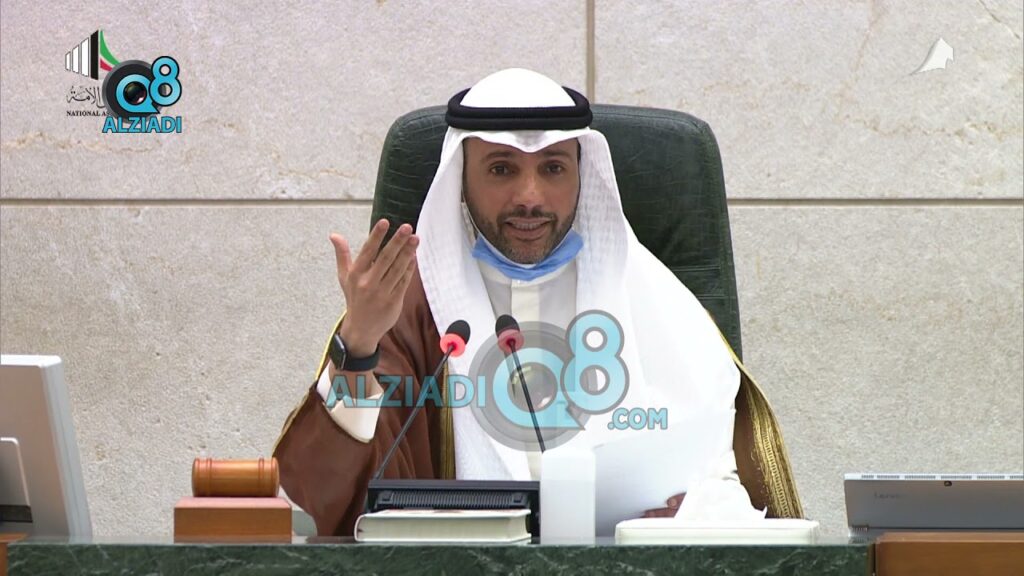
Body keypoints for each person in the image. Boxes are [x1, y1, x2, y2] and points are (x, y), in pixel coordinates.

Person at [273, 68, 760, 537]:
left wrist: (693, 514)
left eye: (553, 168)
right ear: (461, 178)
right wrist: (358, 344)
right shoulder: (414, 305)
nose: (530, 196)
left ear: (580, 175)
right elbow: (320, 504)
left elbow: (724, 481)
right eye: (502, 169)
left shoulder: (651, 296)